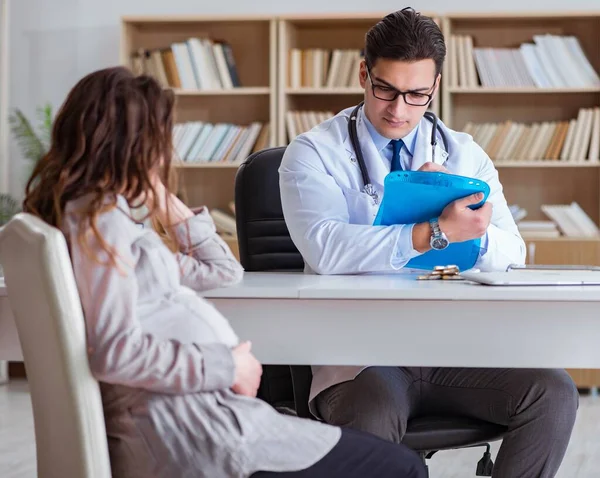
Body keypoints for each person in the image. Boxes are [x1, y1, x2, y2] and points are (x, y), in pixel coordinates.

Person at [22, 66, 426, 478]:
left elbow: (222, 271)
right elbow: (116, 351)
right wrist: (226, 366)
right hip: (195, 431)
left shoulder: (90, 218)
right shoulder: (101, 223)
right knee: (404, 468)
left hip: (198, 415)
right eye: (160, 138)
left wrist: (165, 200)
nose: (165, 152)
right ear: (133, 144)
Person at [279, 8, 578, 478]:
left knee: (554, 395)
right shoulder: (313, 153)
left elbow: (514, 254)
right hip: (362, 359)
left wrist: (472, 234)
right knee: (373, 413)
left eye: (416, 94)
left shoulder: (463, 154)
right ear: (364, 73)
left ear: (435, 87)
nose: (398, 110)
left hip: (453, 351)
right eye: (385, 90)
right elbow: (326, 249)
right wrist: (431, 232)